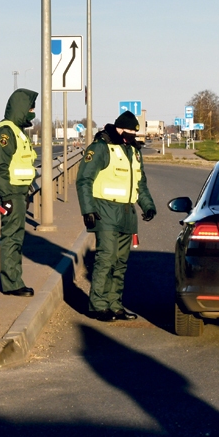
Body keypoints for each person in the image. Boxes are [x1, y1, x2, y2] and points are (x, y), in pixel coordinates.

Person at [76, 110, 156, 321]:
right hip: (105, 212)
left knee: (120, 263)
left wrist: (148, 206)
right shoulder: (101, 148)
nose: (132, 135)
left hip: (127, 214)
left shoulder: (134, 152)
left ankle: (115, 305)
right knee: (106, 259)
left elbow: (140, 183)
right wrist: (88, 210)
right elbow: (84, 179)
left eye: (134, 132)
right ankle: (98, 305)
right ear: (119, 128)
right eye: (129, 131)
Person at [0, 88, 38, 297]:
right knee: (11, 238)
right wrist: (8, 195)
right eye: (30, 108)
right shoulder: (6, 132)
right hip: (11, 193)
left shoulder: (17, 131)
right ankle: (12, 283)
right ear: (21, 108)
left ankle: (15, 279)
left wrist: (26, 189)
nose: (33, 112)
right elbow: (0, 166)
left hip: (19, 192)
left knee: (17, 238)